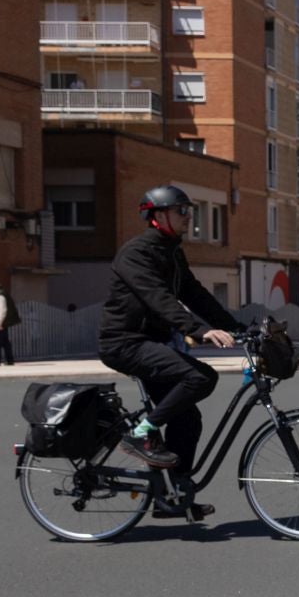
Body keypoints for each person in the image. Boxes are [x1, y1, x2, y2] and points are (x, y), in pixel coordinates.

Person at [98, 185, 243, 518]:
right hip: (124, 342)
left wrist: (236, 326)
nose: (187, 217)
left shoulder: (172, 251)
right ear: (158, 215)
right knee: (199, 376)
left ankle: (171, 496)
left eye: (188, 210)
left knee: (188, 417)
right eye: (182, 211)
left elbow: (194, 293)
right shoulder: (136, 253)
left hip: (151, 341)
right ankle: (140, 434)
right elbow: (157, 299)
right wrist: (200, 331)